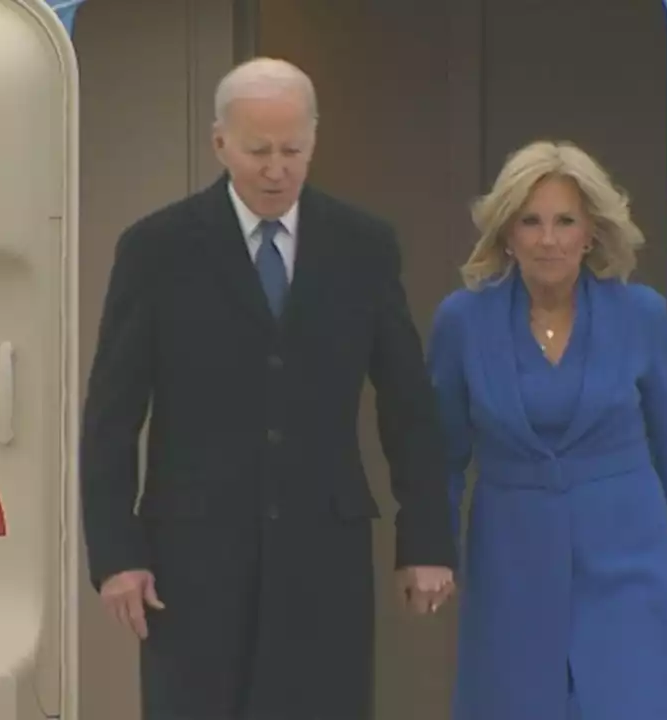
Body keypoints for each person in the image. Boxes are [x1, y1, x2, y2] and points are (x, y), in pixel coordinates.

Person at [79, 57, 457, 720]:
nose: (276, 169)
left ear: (315, 140)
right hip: (190, 557)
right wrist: (117, 556)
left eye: (292, 150)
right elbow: (111, 417)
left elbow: (408, 404)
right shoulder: (157, 248)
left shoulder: (363, 245)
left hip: (323, 550)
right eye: (258, 151)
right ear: (220, 142)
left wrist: (424, 538)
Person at [427, 139, 667, 719]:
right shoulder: (462, 322)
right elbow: (443, 455)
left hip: (627, 565)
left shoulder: (639, 315)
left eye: (565, 221)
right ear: (506, 234)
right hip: (511, 567)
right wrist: (434, 553)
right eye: (531, 221)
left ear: (591, 231)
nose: (548, 239)